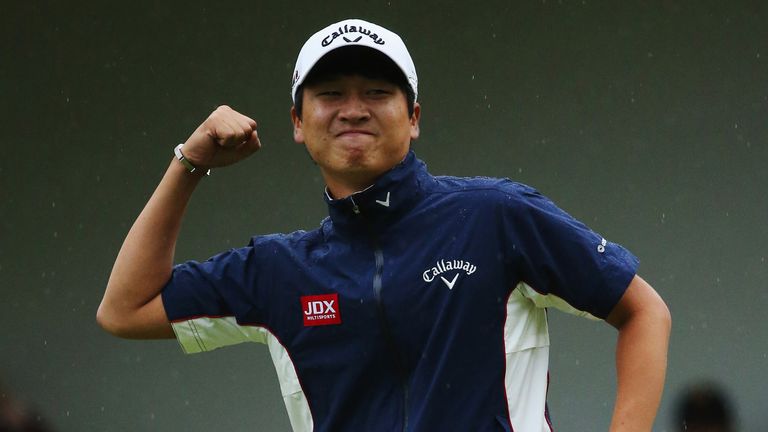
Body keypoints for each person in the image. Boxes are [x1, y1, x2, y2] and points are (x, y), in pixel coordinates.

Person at [97, 18, 671, 432]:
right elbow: (123, 309)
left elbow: (644, 311)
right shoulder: (274, 271)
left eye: (377, 91)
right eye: (330, 94)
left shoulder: (496, 215)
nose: (353, 108)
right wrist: (188, 164)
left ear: (413, 117)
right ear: (298, 122)